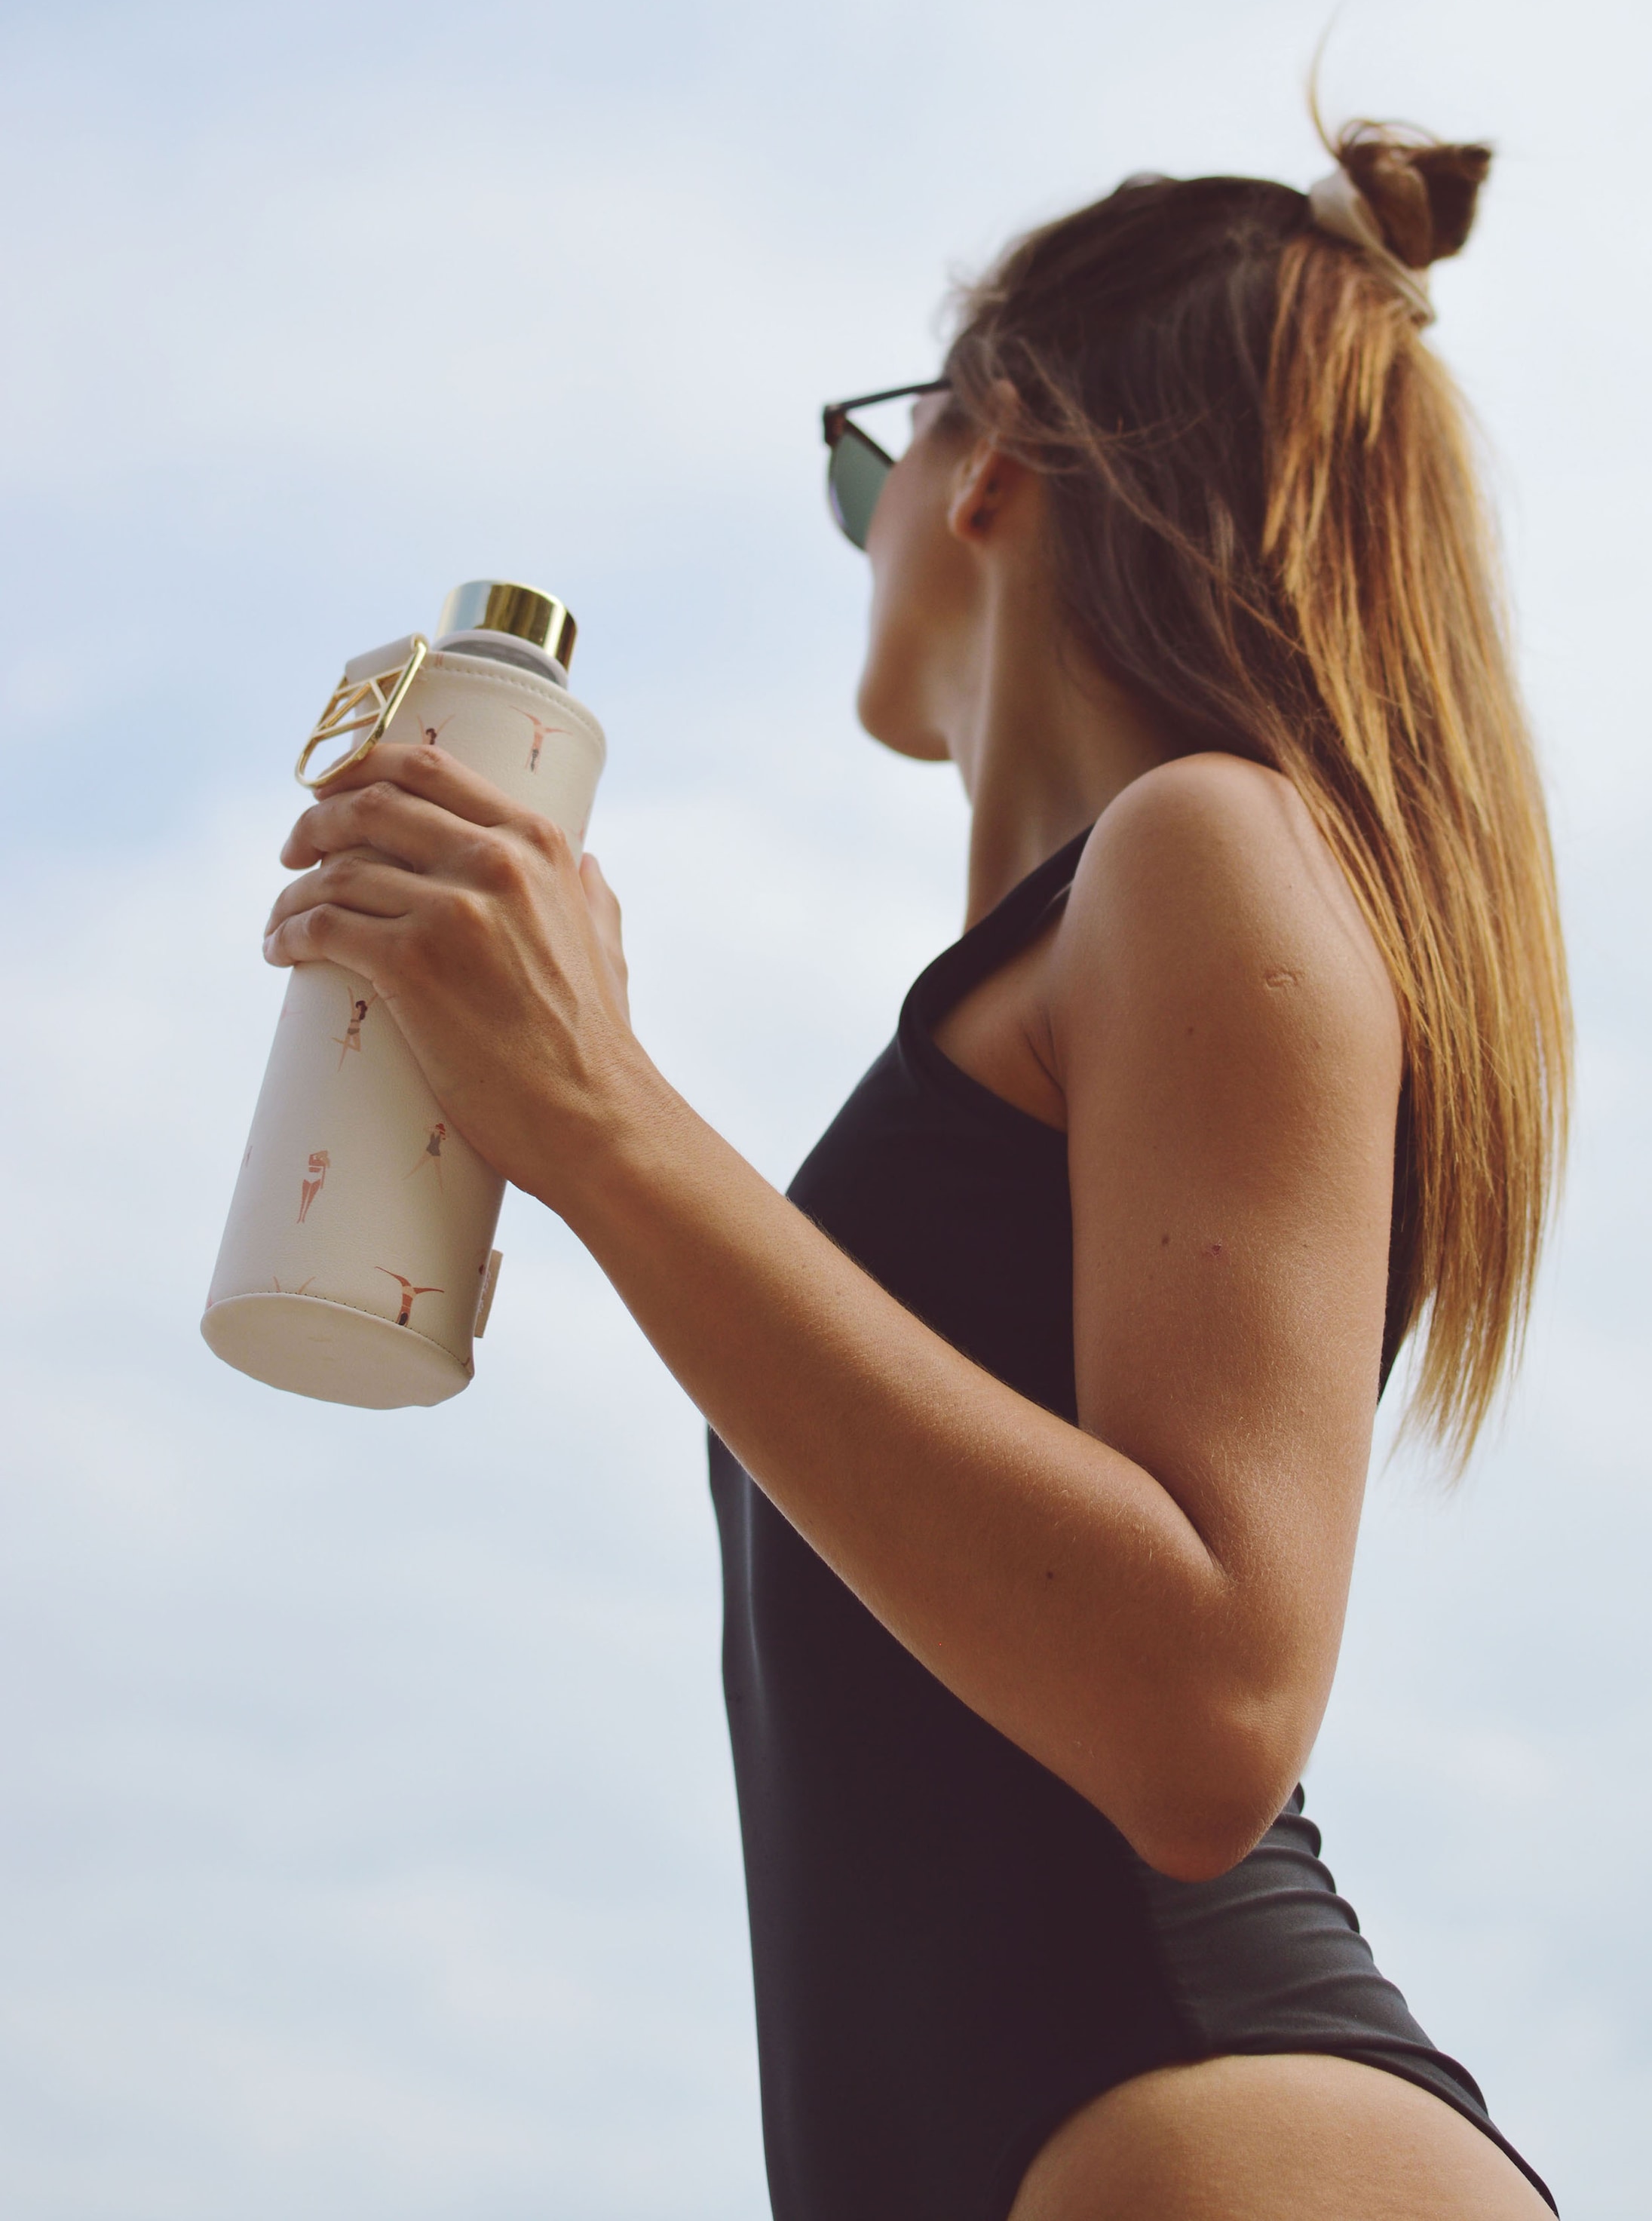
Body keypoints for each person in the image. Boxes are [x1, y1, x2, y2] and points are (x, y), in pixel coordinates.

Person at [261, 115, 1570, 2221]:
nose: (865, 529)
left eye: (864, 469)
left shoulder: (1207, 844)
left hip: (1221, 2150)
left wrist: (598, 1113)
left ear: (989, 459)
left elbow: (1208, 1705)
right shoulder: (1087, 949)